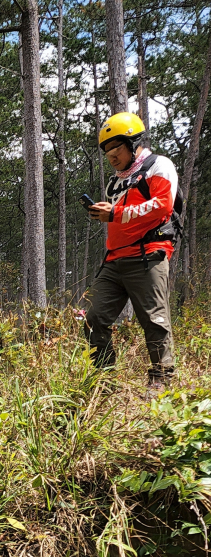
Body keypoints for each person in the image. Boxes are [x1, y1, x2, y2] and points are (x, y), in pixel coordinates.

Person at [85, 111, 179, 395]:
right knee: (93, 319)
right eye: (107, 152)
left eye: (116, 148)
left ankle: (161, 380)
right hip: (115, 259)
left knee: (153, 318)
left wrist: (115, 212)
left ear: (134, 141)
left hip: (149, 252)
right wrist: (107, 213)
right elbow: (120, 218)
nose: (112, 156)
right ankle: (105, 380)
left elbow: (162, 207)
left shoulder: (158, 166)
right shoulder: (114, 182)